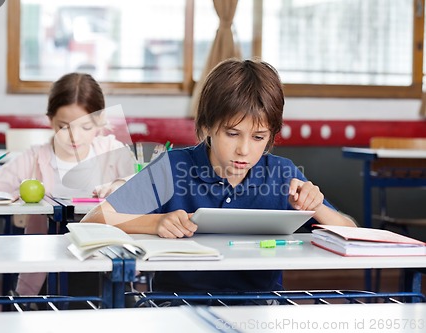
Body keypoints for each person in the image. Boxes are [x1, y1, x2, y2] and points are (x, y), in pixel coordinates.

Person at [81, 59, 357, 295]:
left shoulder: (281, 173)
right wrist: (156, 222)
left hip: (258, 308)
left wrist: (316, 206)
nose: (244, 150)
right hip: (178, 306)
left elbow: (351, 233)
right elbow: (94, 220)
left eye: (258, 137)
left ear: (271, 137)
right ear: (206, 126)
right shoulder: (173, 167)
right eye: (232, 133)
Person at [0, 72, 135, 296]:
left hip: (105, 261)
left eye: (85, 127)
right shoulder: (34, 158)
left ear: (100, 122)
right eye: (64, 126)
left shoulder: (112, 152)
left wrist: (122, 183)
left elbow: (147, 188)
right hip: (49, 268)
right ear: (50, 120)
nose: (74, 137)